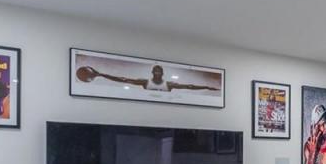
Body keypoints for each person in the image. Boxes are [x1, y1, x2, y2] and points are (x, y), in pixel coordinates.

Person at [74, 62, 220, 96]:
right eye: (155, 71)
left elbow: (189, 86)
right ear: (152, 72)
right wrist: (100, 74)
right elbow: (123, 80)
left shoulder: (169, 84)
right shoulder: (145, 82)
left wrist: (207, 87)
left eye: (159, 71)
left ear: (162, 73)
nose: (157, 73)